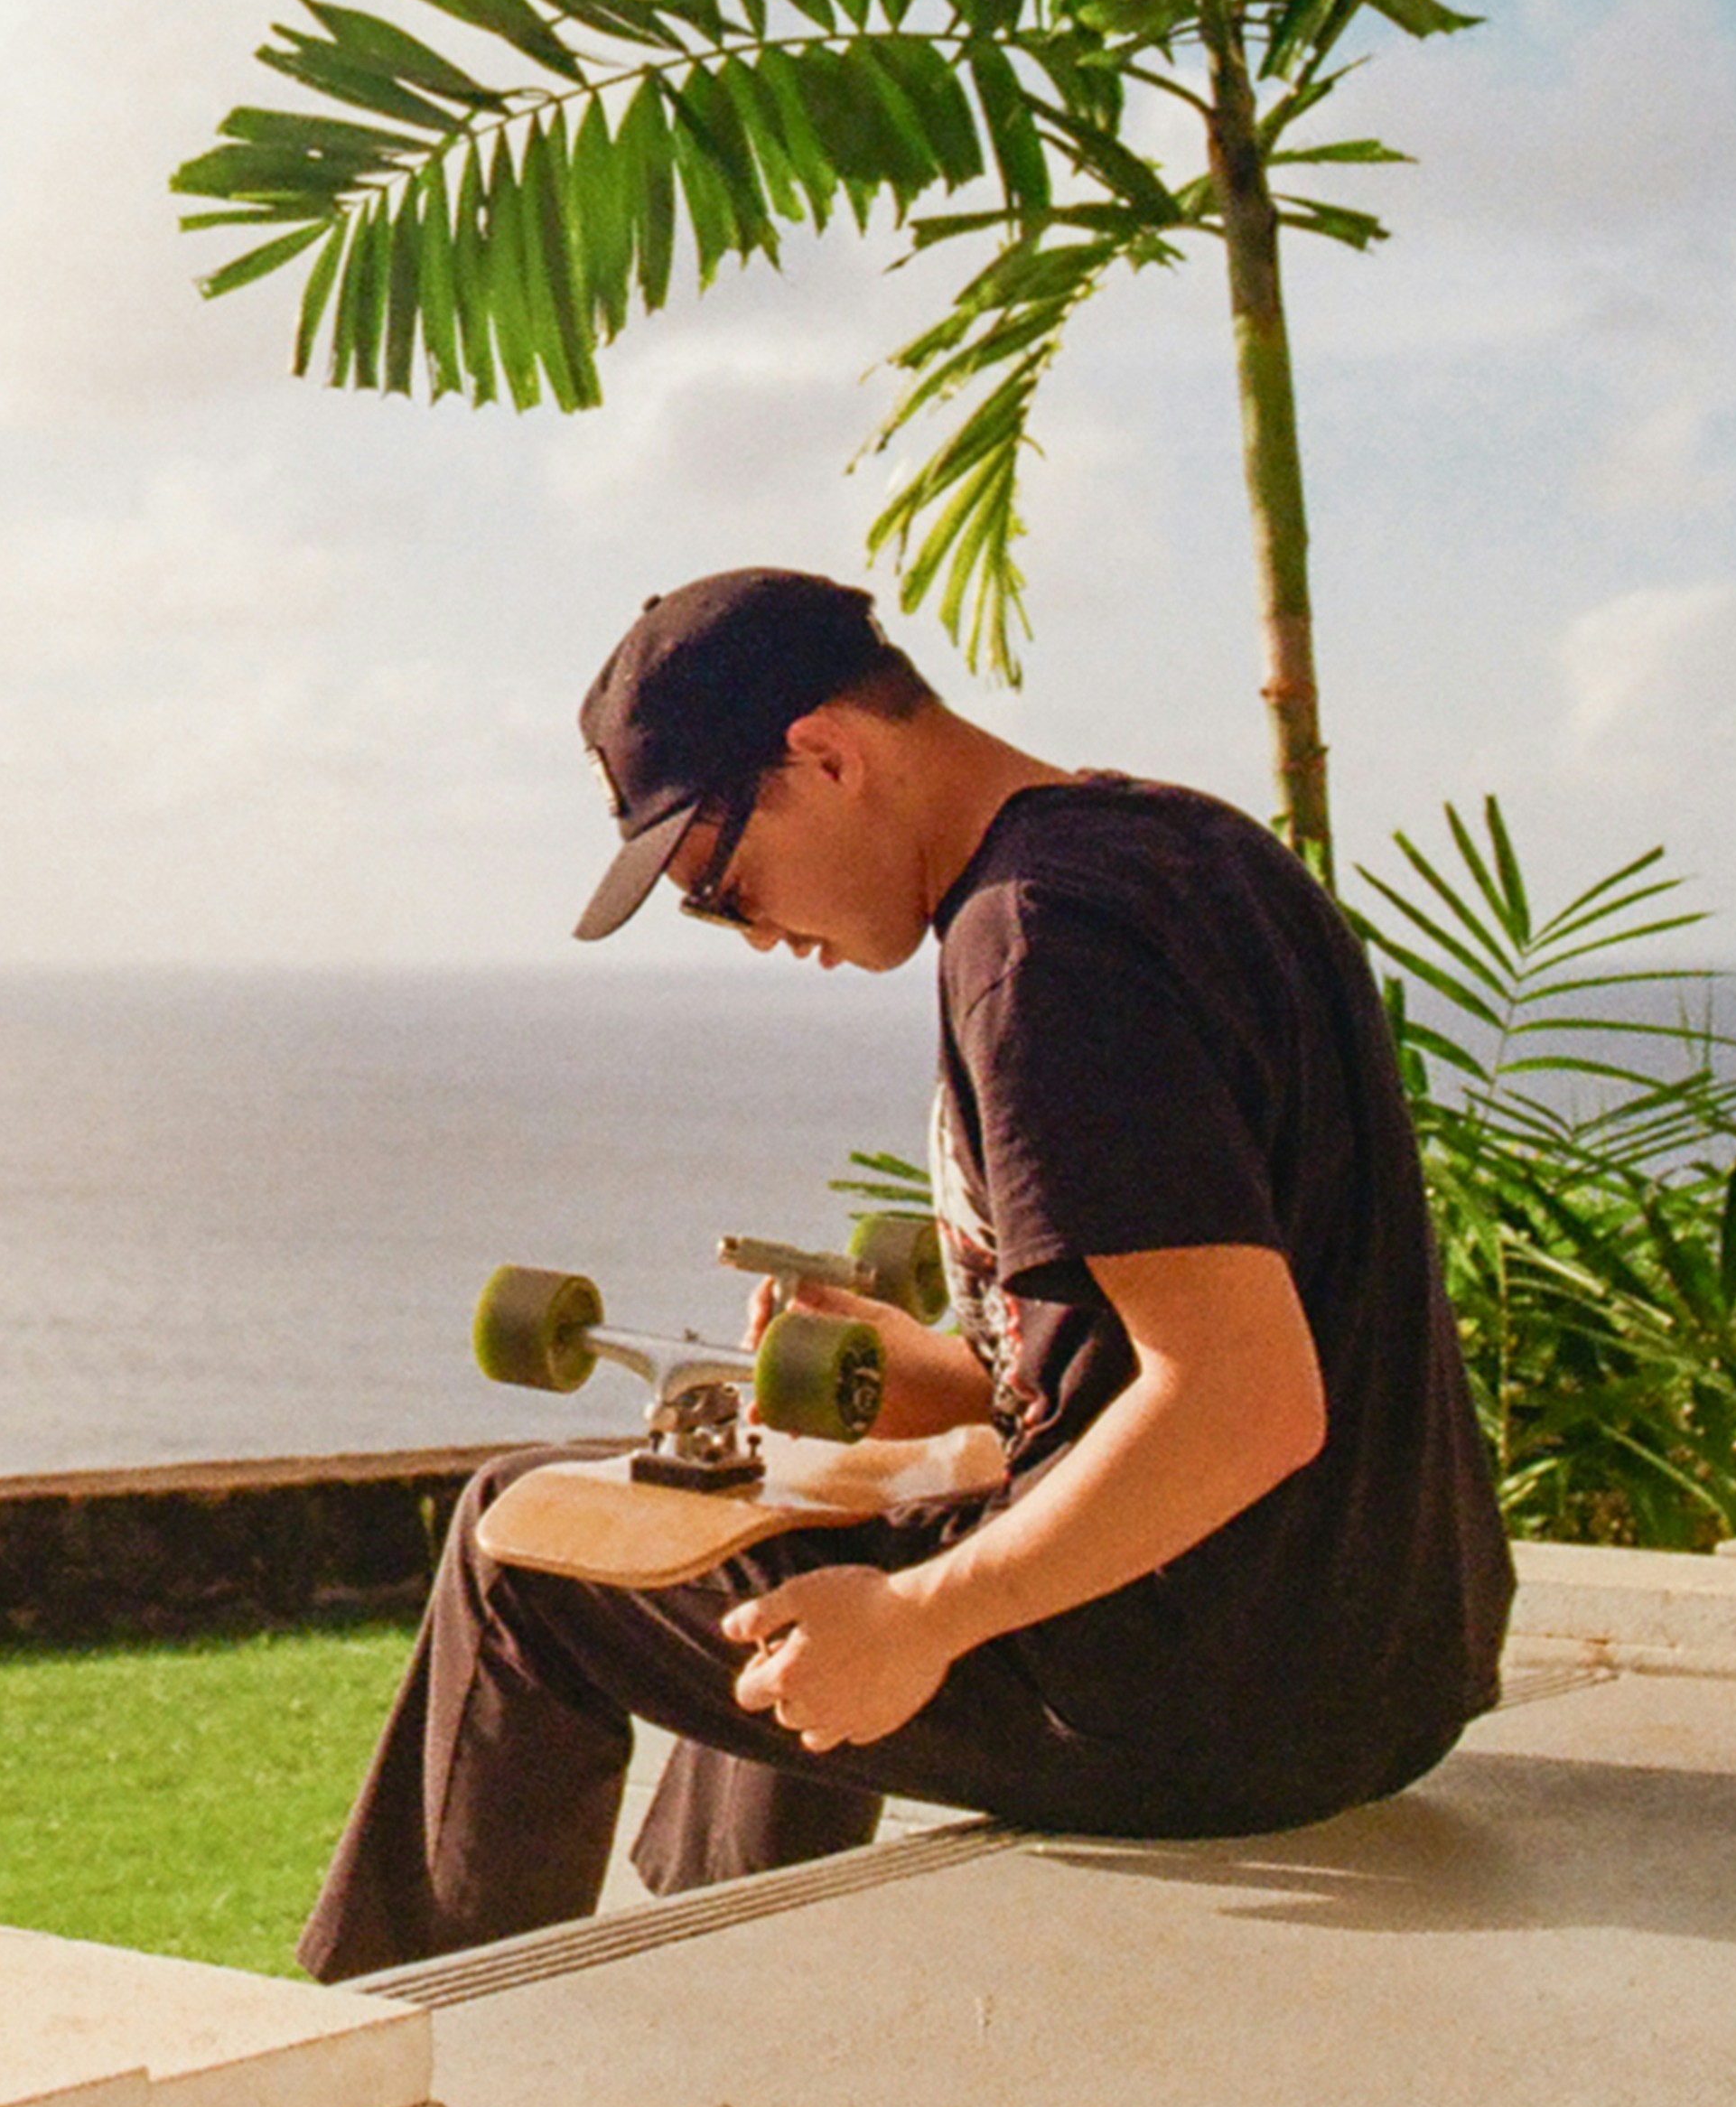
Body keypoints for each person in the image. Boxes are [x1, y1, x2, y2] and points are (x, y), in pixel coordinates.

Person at [297, 567, 1510, 1981]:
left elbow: (1245, 1402)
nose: (748, 930)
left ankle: (366, 2048)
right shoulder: (1190, 851)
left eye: (715, 877)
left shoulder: (1039, 945)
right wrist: (913, 1371)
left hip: (1203, 1702)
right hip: (1386, 1666)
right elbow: (1157, 1367)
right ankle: (741, 1962)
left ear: (825, 755)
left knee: (522, 1533)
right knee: (775, 1537)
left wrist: (923, 1620)